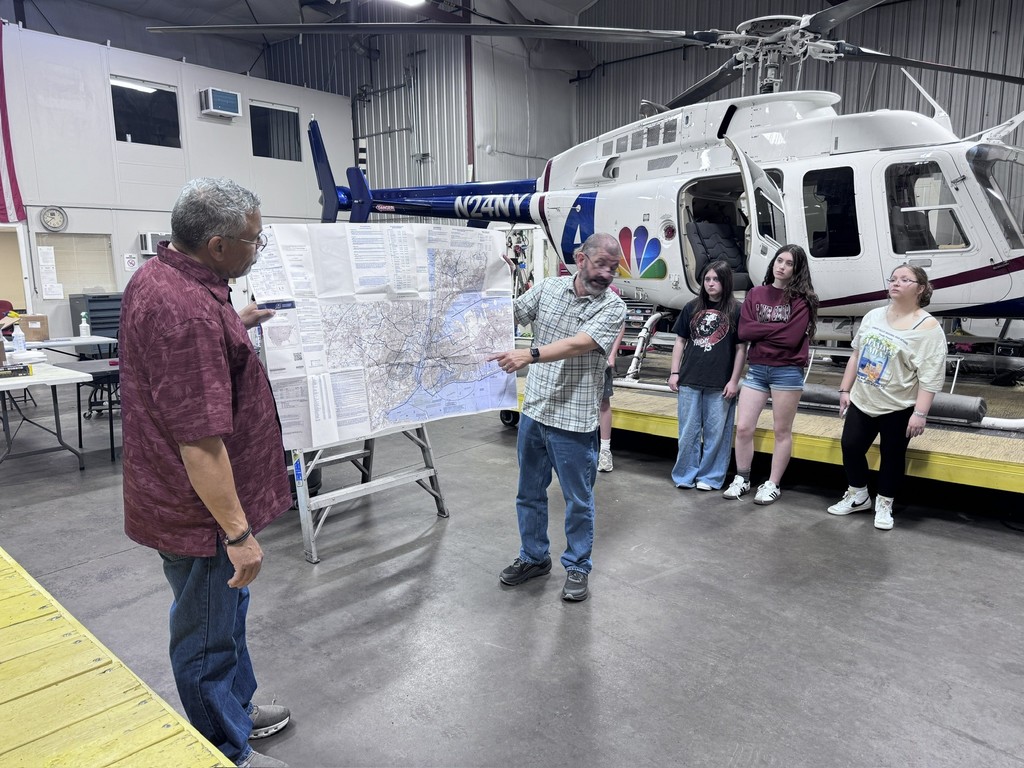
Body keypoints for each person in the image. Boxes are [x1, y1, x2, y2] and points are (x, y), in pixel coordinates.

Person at [120, 178, 291, 768]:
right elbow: (199, 443)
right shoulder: (188, 312)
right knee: (205, 634)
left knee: (225, 615)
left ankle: (235, 710)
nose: (257, 246)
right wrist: (238, 535)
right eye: (253, 239)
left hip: (183, 500)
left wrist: (231, 321)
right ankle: (225, 749)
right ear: (217, 245)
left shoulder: (167, 274)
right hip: (200, 514)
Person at [489, 232, 626, 602]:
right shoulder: (549, 289)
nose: (608, 274)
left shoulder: (613, 307)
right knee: (529, 493)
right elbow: (510, 313)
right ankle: (534, 557)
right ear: (580, 259)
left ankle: (578, 566)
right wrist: (494, 280)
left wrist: (528, 354)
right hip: (535, 411)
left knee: (577, 500)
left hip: (575, 420)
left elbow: (579, 343)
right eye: (601, 264)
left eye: (613, 268)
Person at [827, 264, 945, 530]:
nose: (896, 283)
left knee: (892, 455)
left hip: (898, 406)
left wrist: (920, 413)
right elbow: (856, 354)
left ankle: (884, 502)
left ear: (921, 288)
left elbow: (931, 377)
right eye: (893, 279)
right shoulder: (873, 316)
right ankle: (858, 495)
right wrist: (845, 390)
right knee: (851, 446)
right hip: (863, 399)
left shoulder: (928, 328)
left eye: (904, 279)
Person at [723, 244, 818, 505]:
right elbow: (744, 331)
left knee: (781, 431)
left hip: (787, 371)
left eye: (789, 263)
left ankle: (773, 484)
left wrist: (761, 328)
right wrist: (776, 327)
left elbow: (791, 338)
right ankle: (742, 477)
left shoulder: (803, 300)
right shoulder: (756, 293)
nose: (782, 266)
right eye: (779, 260)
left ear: (796, 269)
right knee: (743, 428)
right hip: (757, 369)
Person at [669, 260, 746, 491]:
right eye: (707, 279)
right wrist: (674, 373)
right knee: (688, 432)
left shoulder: (737, 310)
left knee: (717, 434)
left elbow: (742, 348)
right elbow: (680, 341)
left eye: (716, 279)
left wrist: (734, 381)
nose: (711, 284)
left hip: (720, 383)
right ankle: (684, 475)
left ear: (725, 282)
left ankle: (710, 477)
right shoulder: (691, 307)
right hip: (690, 379)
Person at [597, 291, 626, 472]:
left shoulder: (611, 293)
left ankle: (605, 452)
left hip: (602, 356)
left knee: (603, 402)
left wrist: (613, 353)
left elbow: (620, 324)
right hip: (578, 356)